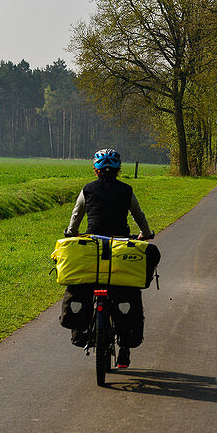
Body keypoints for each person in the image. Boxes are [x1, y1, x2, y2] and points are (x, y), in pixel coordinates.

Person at [63, 148, 154, 368]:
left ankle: (80, 331)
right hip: (119, 247)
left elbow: (76, 216)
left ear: (95, 170)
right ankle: (124, 345)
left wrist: (71, 233)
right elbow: (138, 214)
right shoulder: (126, 190)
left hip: (92, 246)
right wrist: (146, 233)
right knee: (127, 289)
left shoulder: (87, 190)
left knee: (83, 283)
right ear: (118, 170)